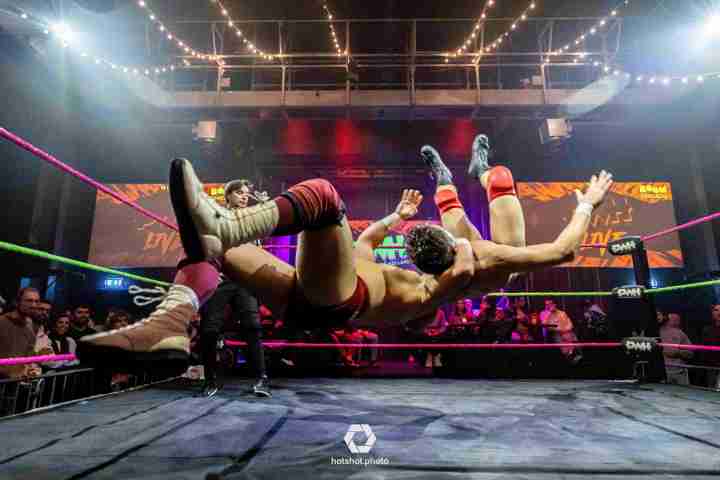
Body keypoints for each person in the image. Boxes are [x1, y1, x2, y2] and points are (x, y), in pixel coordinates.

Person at [77, 152, 612, 370]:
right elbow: (369, 240)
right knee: (207, 248)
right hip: (311, 298)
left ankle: (230, 223)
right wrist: (396, 217)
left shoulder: (462, 268)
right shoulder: (397, 266)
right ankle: (170, 324)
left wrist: (586, 205)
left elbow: (560, 251)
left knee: (325, 198)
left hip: (332, 301)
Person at [198, 179, 270, 398]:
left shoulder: (253, 219)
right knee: (209, 329)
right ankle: (210, 380)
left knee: (253, 327)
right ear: (228, 195)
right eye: (239, 192)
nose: (244, 196)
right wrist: (211, 270)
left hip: (245, 280)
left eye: (246, 193)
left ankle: (260, 380)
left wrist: (264, 208)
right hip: (221, 279)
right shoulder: (217, 217)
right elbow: (206, 245)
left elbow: (263, 242)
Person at [0, 287, 42, 379]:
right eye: (29, 301)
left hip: (17, 385)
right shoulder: (2, 322)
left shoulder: (30, 325)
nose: (34, 305)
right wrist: (11, 372)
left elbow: (28, 355)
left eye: (36, 301)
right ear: (17, 302)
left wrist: (31, 368)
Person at [660, 312, 693, 385]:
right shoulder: (655, 332)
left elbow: (690, 353)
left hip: (679, 373)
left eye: (677, 319)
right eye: (673, 319)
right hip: (662, 374)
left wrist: (677, 352)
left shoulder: (680, 333)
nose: (676, 321)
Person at [700, 304, 720, 389]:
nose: (719, 312)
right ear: (712, 313)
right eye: (716, 310)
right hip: (712, 366)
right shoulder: (707, 330)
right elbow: (704, 349)